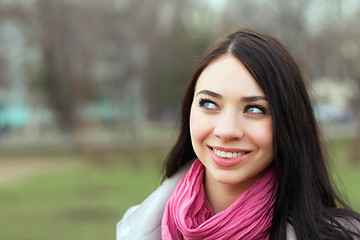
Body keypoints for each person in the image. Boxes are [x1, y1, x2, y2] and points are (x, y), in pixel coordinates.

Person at [116, 29, 360, 240]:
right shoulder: (137, 227)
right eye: (209, 104)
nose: (226, 131)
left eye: (254, 109)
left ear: (289, 123)